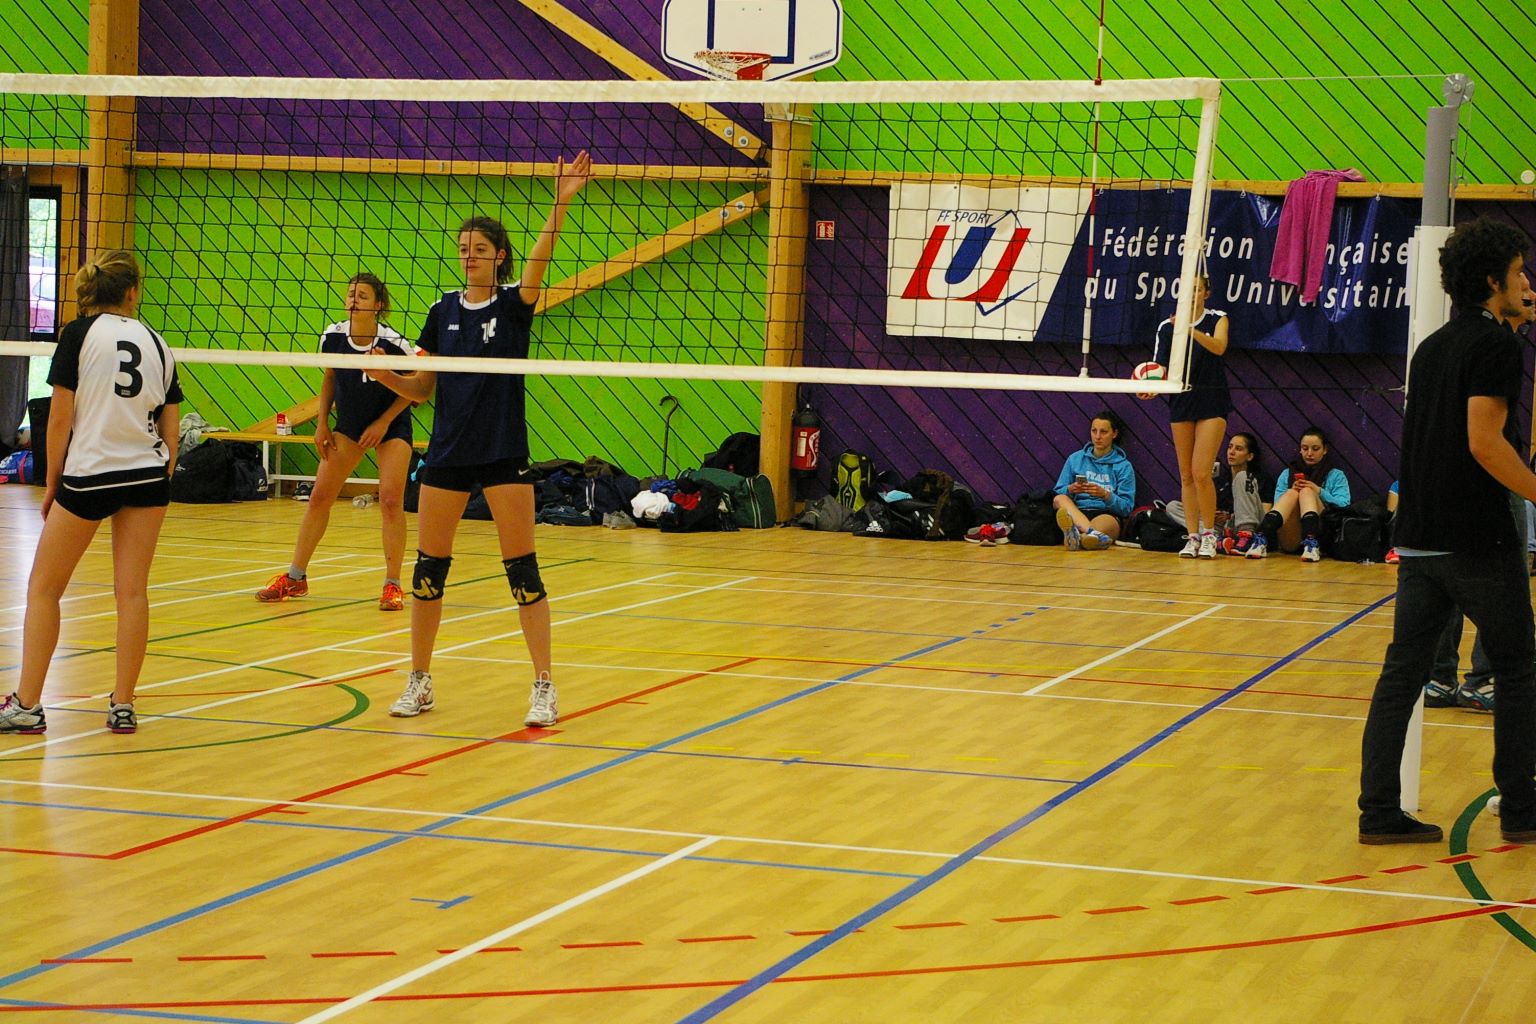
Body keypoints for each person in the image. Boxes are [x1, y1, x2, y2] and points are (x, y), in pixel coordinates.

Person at [365, 151, 591, 726]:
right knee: (428, 572)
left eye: (481, 249)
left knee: (523, 573)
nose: (469, 256)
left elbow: (540, 263)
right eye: (464, 248)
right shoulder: (441, 310)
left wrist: (560, 203)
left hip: (502, 453)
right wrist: (386, 376)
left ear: (499, 256)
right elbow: (422, 388)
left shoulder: (514, 306)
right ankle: (419, 680)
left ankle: (544, 686)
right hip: (446, 454)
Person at [1357, 216, 1536, 845]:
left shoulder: (1433, 347)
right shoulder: (1495, 348)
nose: (1528, 284)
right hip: (1475, 539)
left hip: (1419, 536)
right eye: (1519, 274)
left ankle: (1378, 812)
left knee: (1402, 673)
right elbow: (1485, 444)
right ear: (1492, 281)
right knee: (1517, 670)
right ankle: (1523, 811)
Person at [0, 250, 182, 736]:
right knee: (133, 592)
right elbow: (170, 423)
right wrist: (164, 470)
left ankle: (28, 705)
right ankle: (123, 704)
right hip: (146, 474)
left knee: (44, 588)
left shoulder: (77, 335)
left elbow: (61, 417)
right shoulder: (157, 341)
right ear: (132, 293)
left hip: (91, 473)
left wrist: (52, 482)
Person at [255, 273, 417, 611]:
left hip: (390, 425)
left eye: (362, 295)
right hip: (349, 425)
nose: (354, 300)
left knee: (390, 501)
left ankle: (392, 585)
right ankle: (295, 577)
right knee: (319, 497)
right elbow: (330, 377)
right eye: (351, 294)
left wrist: (384, 422)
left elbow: (416, 388)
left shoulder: (395, 343)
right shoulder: (332, 337)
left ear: (378, 305)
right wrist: (322, 423)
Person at [1142, 273, 1230, 558]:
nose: (1192, 294)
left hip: (1212, 399)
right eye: (1186, 289)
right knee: (1186, 474)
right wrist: (1151, 387)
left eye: (1197, 289)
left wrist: (1189, 329)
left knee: (1201, 472)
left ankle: (1209, 535)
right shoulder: (1166, 328)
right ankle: (1192, 537)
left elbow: (1219, 347)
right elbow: (1160, 367)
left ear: (1206, 293)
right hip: (1182, 401)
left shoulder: (1217, 319)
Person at [1249, 426, 1350, 561]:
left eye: (1315, 449)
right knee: (1292, 492)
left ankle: (1312, 543)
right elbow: (1278, 504)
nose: (1309, 453)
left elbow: (1344, 505)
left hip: (1324, 535)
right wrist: (1294, 491)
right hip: (1291, 537)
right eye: (1305, 448)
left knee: (1307, 491)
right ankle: (1260, 538)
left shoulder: (1336, 475)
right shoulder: (1287, 474)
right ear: (1300, 449)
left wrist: (1319, 491)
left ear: (1325, 450)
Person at [1052, 410, 1136, 550]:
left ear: (1114, 434)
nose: (1097, 436)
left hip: (1105, 514)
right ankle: (1090, 536)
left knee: (1106, 523)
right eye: (1094, 431)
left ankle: (1078, 537)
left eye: (1103, 432)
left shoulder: (1123, 466)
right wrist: (1070, 489)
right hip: (1077, 511)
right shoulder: (1075, 459)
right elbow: (1057, 493)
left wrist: (1105, 495)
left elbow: (1126, 508)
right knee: (1059, 499)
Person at [1218, 431, 1271, 554]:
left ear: (1250, 456)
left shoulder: (1262, 479)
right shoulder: (1221, 480)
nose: (1231, 452)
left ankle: (1247, 535)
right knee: (1175, 507)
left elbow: (1265, 513)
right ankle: (1217, 540)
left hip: (1255, 527)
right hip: (1227, 527)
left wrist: (1233, 516)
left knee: (1242, 476)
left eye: (1238, 449)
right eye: (1230, 447)